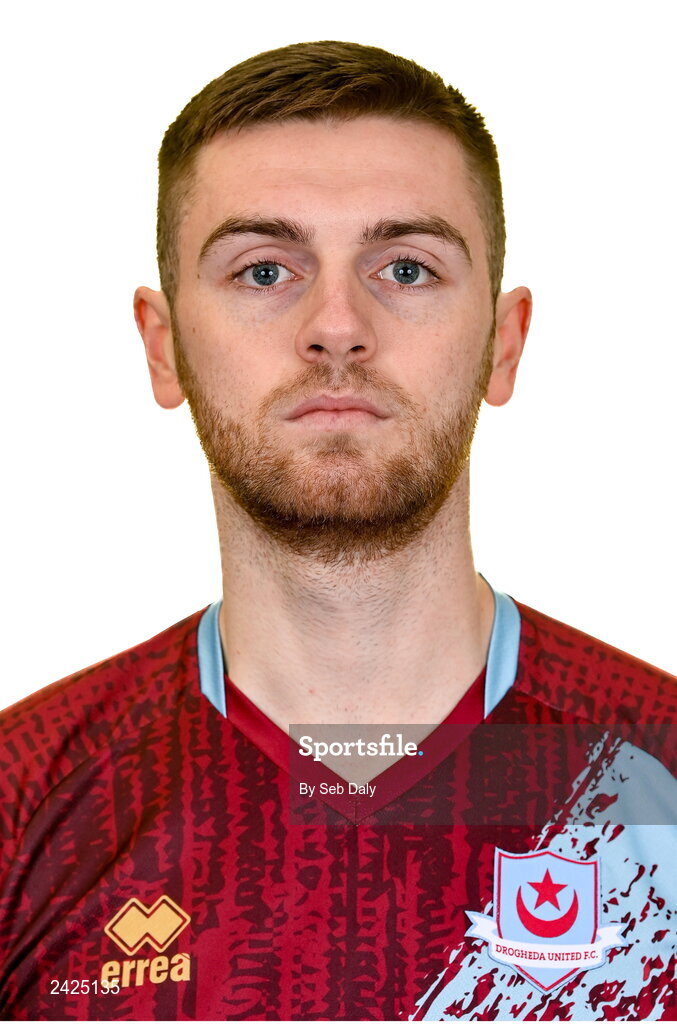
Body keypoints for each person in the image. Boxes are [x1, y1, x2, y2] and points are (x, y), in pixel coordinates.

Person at [0, 40, 674, 1023]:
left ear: (503, 341)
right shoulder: (23, 804)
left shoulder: (653, 778)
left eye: (405, 266)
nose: (336, 325)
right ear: (163, 346)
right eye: (263, 268)